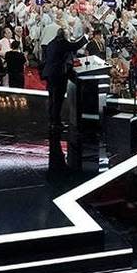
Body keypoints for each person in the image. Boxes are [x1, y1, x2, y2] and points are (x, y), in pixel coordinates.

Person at [40, 27, 87, 171]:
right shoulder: (62, 43)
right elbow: (75, 46)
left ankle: (53, 119)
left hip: (49, 73)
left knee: (52, 97)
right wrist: (85, 36)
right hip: (58, 74)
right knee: (58, 98)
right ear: (64, 36)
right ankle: (55, 121)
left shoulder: (52, 43)